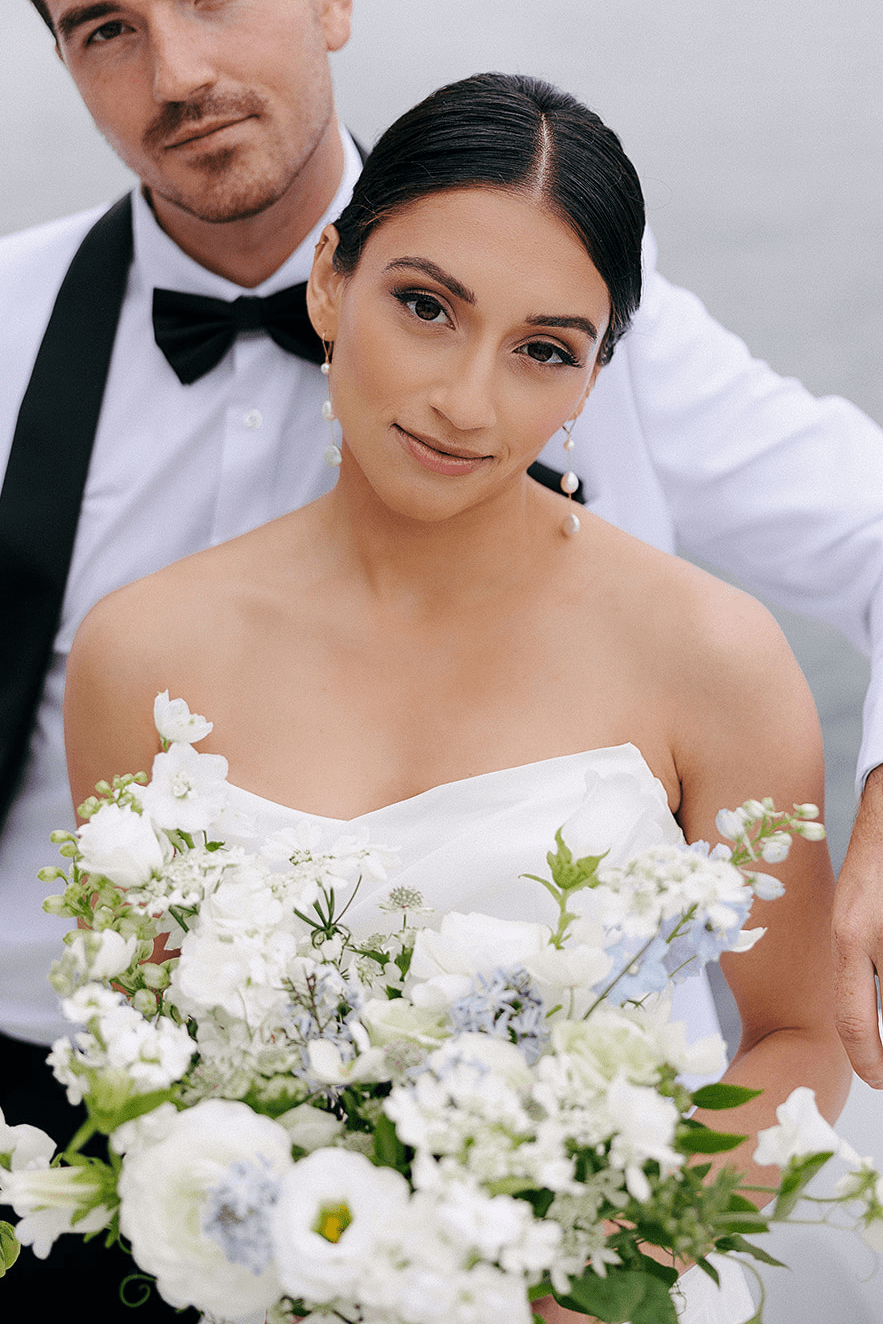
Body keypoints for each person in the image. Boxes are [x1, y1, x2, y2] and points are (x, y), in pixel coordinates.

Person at [63, 73, 852, 1324]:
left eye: (544, 349)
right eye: (426, 307)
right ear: (330, 282)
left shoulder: (712, 655)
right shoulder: (137, 657)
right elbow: (146, 1068)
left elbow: (795, 1038)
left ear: (592, 380)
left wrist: (609, 1264)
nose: (466, 401)